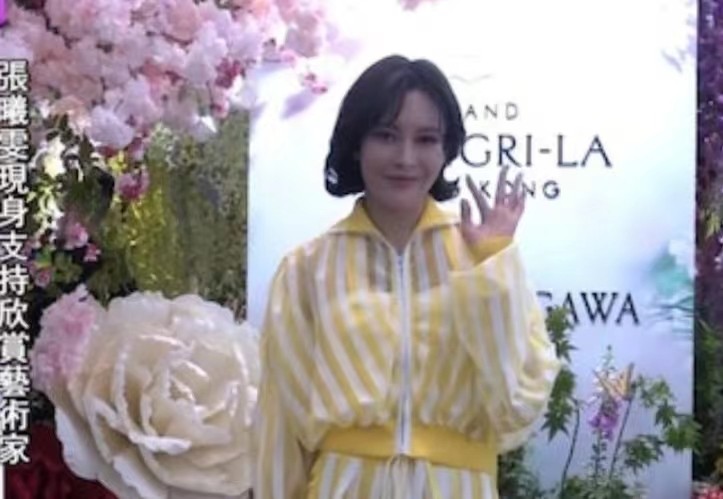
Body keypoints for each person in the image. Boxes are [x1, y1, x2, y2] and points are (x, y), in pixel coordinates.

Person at [254, 55, 561, 498]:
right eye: (386, 135)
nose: (405, 157)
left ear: (446, 149)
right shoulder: (307, 269)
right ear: (356, 143)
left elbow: (518, 405)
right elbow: (281, 424)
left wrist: (491, 268)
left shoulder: (482, 260)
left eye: (426, 139)